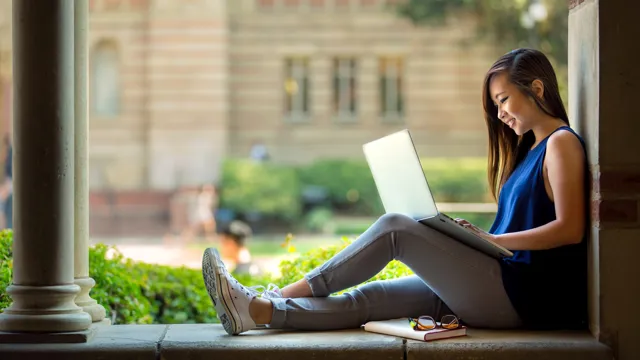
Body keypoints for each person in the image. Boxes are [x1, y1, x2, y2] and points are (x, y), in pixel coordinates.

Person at [201, 48, 588, 336]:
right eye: (496, 104)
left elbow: (570, 229)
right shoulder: (530, 151)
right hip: (497, 284)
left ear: (536, 87)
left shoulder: (561, 144)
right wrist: (471, 238)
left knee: (396, 228)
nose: (500, 113)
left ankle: (276, 293)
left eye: (503, 100)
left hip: (521, 297)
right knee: (372, 300)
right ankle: (257, 310)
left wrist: (493, 239)